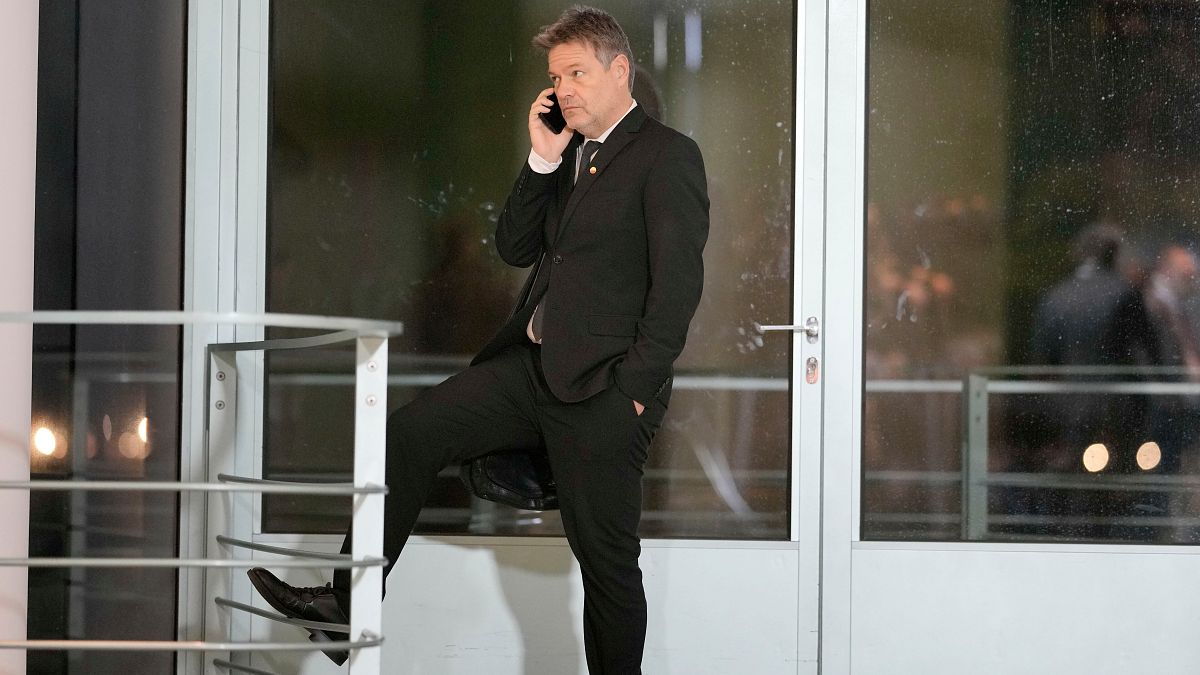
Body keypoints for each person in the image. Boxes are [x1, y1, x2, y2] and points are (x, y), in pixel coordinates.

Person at [246, 6, 710, 673]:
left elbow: (677, 290)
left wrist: (632, 396)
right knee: (406, 435)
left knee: (608, 568)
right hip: (530, 368)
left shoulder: (668, 157)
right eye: (556, 76)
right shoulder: (572, 156)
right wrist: (541, 159)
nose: (563, 90)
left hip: (603, 388)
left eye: (577, 73)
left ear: (619, 70)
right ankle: (345, 605)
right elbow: (515, 245)